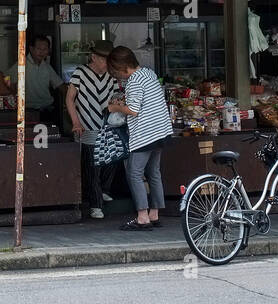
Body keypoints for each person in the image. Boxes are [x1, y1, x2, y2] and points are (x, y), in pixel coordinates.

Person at [106, 45, 172, 231]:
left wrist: (115, 108)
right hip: (161, 131)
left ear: (122, 66)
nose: (117, 75)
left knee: (134, 173)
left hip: (145, 134)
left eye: (116, 71)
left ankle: (142, 217)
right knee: (154, 172)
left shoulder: (134, 81)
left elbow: (133, 111)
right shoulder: (149, 74)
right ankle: (154, 213)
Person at [66, 39, 116, 219]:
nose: (106, 63)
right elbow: (69, 99)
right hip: (87, 126)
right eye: (103, 59)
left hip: (109, 126)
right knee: (92, 167)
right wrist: (75, 122)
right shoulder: (80, 73)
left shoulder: (112, 75)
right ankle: (96, 205)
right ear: (93, 57)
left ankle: (102, 191)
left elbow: (117, 96)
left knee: (111, 161)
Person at [11, 32, 64, 123]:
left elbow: (61, 86)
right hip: (28, 112)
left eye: (45, 49)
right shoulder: (21, 65)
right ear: (31, 49)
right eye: (39, 49)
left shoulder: (47, 67)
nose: (42, 52)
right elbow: (7, 82)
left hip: (47, 111)